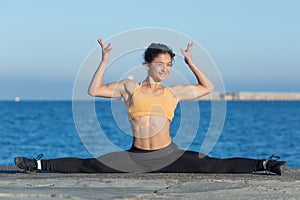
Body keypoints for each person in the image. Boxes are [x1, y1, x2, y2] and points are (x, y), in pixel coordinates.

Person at [14, 38, 287, 175]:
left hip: (168, 155)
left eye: (169, 65)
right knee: (91, 164)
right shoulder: (128, 87)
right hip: (136, 157)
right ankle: (36, 164)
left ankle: (266, 163)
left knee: (214, 165)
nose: (165, 69)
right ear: (148, 64)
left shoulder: (174, 92)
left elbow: (208, 88)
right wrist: (105, 60)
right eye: (160, 64)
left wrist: (191, 63)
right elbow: (93, 89)